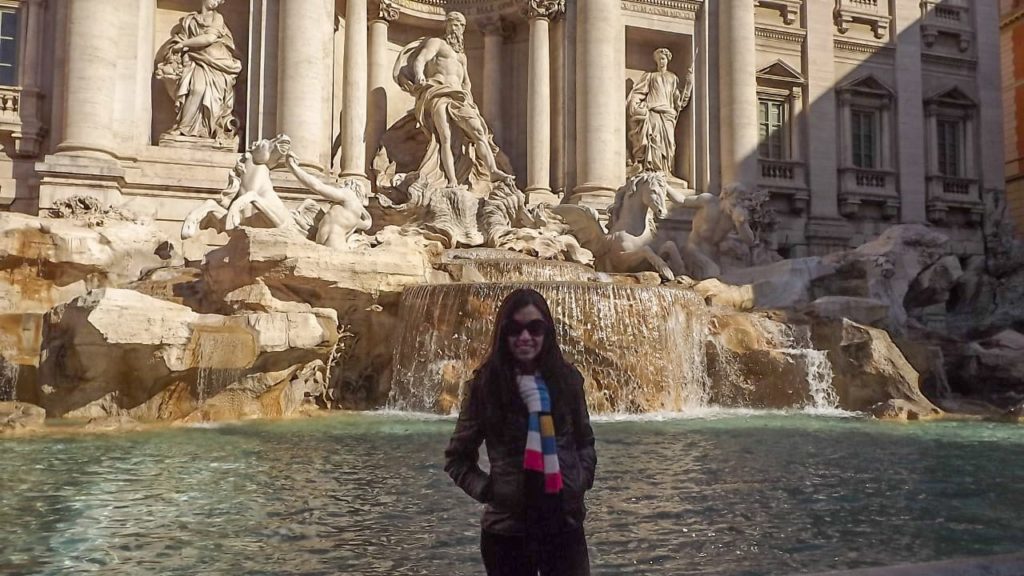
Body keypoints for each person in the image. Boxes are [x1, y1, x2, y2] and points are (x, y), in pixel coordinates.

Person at [445, 289, 597, 576]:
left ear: (547, 332)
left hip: (564, 526)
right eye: (515, 329)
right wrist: (491, 491)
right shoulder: (486, 386)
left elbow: (584, 441)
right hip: (507, 533)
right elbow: (457, 459)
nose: (525, 337)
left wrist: (580, 479)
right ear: (503, 333)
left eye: (534, 328)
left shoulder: (567, 381)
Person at [395, 11, 513, 190]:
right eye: (451, 23)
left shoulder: (461, 57)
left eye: (458, 24)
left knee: (479, 132)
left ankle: (493, 170)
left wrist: (471, 103)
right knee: (446, 138)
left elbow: (466, 83)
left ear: (463, 28)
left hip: (460, 98)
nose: (454, 27)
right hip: (438, 94)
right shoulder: (437, 44)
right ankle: (451, 180)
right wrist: (419, 74)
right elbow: (420, 59)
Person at [156, 0, 242, 142]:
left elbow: (209, 38)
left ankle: (204, 129)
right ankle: (185, 128)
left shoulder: (217, 18)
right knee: (196, 89)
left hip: (216, 62)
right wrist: (177, 47)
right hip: (195, 60)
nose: (215, 3)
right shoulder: (190, 19)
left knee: (205, 92)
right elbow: (181, 37)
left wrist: (184, 44)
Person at [626, 48, 693, 176]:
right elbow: (639, 93)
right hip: (653, 112)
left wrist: (689, 84)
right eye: (658, 59)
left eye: (663, 59)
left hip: (668, 114)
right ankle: (652, 169)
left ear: (667, 60)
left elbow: (679, 103)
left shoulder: (673, 78)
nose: (661, 62)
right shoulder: (650, 76)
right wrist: (635, 106)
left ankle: (666, 170)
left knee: (669, 144)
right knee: (654, 140)